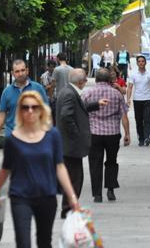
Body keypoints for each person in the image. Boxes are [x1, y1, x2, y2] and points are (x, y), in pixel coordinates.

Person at [0, 91, 80, 248]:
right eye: (25, 107)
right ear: (20, 111)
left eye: (34, 107)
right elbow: (5, 170)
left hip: (47, 195)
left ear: (41, 109)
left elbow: (59, 166)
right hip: (20, 197)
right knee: (23, 242)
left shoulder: (52, 136)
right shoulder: (13, 139)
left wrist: (71, 196)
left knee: (44, 242)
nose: (30, 111)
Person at [55, 68, 107, 218]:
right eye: (85, 80)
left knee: (74, 177)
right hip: (70, 146)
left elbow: (79, 109)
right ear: (80, 82)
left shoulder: (68, 92)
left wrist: (96, 104)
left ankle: (69, 207)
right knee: (75, 179)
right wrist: (76, 136)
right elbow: (66, 116)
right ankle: (68, 209)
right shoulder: (70, 94)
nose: (85, 83)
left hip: (69, 145)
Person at [82, 68, 131, 203]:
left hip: (94, 133)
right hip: (112, 133)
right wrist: (127, 133)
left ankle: (97, 194)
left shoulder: (87, 93)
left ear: (96, 79)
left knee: (95, 163)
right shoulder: (116, 94)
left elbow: (81, 111)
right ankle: (110, 189)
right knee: (111, 161)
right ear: (109, 79)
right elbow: (124, 116)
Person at [0, 59, 49, 137]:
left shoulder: (38, 88)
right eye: (17, 71)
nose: (20, 74)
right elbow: (1, 114)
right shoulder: (6, 92)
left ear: (27, 71)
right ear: (12, 73)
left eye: (23, 70)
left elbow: (46, 111)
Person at [127, 55, 150, 146]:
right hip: (137, 100)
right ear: (137, 63)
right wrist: (128, 99)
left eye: (142, 61)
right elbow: (130, 87)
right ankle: (141, 138)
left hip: (147, 99)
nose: (141, 63)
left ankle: (147, 137)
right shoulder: (133, 74)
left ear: (145, 63)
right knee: (139, 120)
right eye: (139, 61)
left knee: (147, 119)